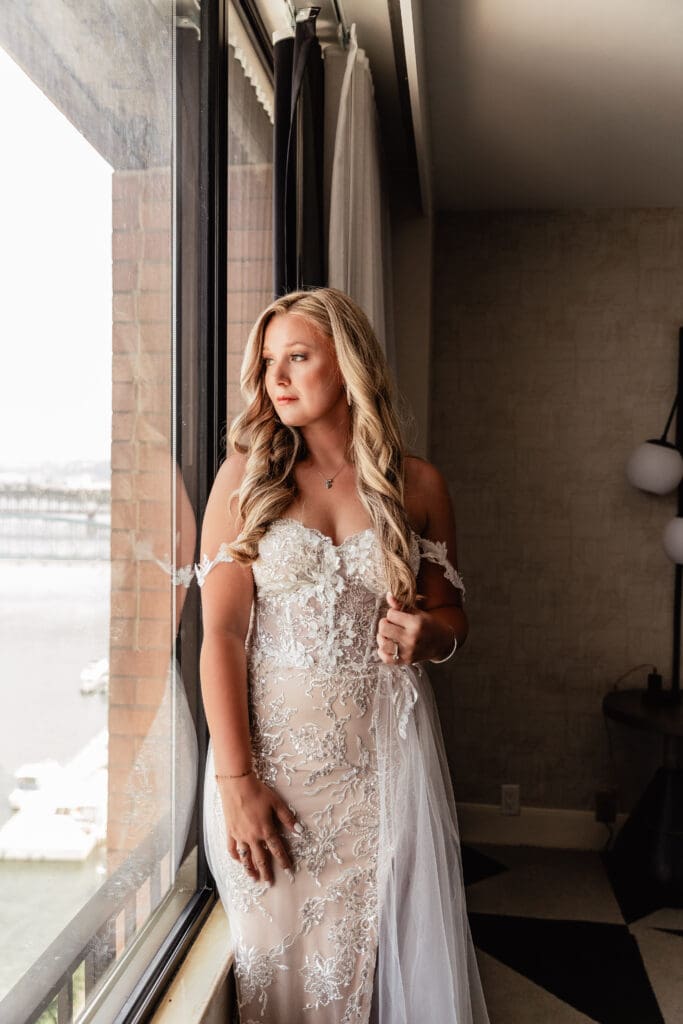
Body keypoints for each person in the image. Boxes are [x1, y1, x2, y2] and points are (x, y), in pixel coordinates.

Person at [195, 286, 490, 1024]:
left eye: (298, 356)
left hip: (381, 765)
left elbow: (451, 616)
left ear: (349, 363)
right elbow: (220, 636)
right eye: (268, 362)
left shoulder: (417, 485)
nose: (277, 377)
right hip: (269, 770)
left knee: (373, 968)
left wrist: (430, 635)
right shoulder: (244, 480)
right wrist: (236, 783)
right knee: (277, 971)